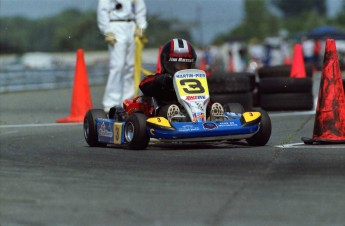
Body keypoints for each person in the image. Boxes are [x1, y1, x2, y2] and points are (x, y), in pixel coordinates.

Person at [139, 38, 224, 121]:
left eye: (185, 65)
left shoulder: (193, 79)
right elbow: (143, 84)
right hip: (167, 112)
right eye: (179, 65)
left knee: (209, 104)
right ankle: (176, 119)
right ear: (168, 63)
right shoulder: (163, 78)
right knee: (168, 110)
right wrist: (161, 80)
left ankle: (213, 115)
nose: (182, 68)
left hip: (194, 109)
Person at [97, 0, 148, 112]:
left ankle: (127, 101)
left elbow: (140, 8)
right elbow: (103, 10)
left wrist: (141, 26)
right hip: (115, 25)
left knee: (130, 66)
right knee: (117, 66)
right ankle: (110, 102)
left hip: (131, 26)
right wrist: (106, 30)